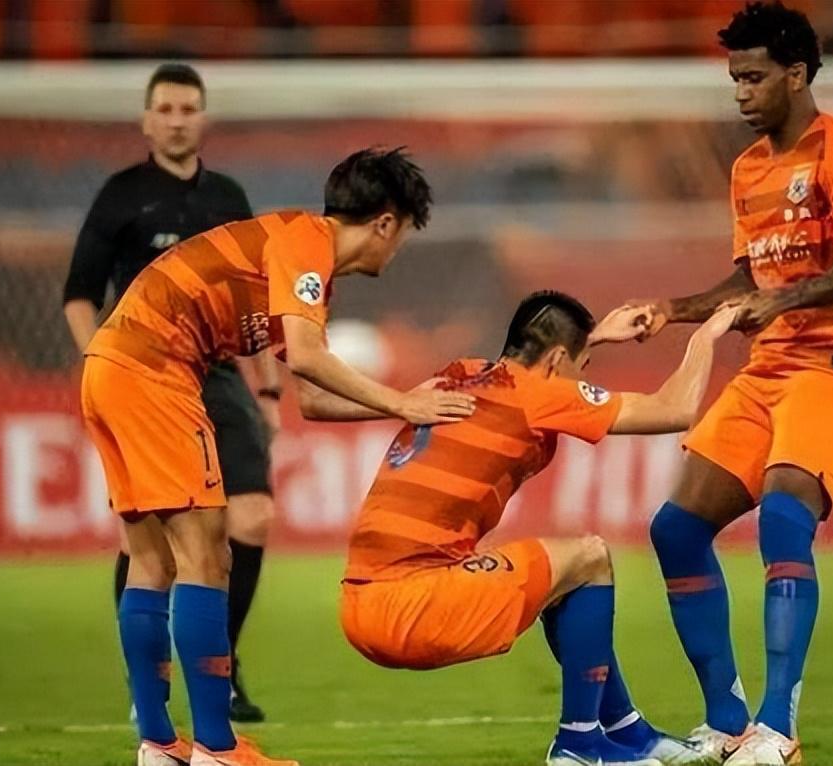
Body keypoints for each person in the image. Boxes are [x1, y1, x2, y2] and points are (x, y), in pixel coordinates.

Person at [80, 146, 475, 766]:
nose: (396, 251)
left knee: (151, 560)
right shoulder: (306, 242)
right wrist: (402, 400)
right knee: (208, 556)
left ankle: (158, 745)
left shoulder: (296, 258)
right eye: (402, 234)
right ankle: (217, 748)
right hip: (155, 371)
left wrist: (404, 406)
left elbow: (311, 398)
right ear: (385, 223)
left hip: (111, 368)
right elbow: (314, 358)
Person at [620, 3, 833, 764]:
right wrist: (673, 309)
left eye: (753, 78)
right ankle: (727, 721)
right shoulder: (748, 169)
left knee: (782, 517)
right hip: (769, 368)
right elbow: (751, 278)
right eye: (735, 79)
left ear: (796, 75)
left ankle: (778, 728)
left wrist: (785, 300)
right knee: (675, 530)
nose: (740, 93)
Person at [339, 291, 739, 766]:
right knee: (589, 557)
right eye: (582, 366)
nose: (582, 382)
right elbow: (674, 409)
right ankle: (578, 744)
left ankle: (629, 733)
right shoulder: (539, 395)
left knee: (562, 578)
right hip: (412, 605)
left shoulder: (461, 372)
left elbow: (535, 361)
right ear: (555, 360)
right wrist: (705, 335)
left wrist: (592, 338)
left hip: (362, 602)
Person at [62, 62, 277, 722]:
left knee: (252, 517)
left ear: (203, 118)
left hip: (217, 373)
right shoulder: (122, 195)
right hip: (147, 376)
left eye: (188, 109)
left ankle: (221, 665)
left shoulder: (229, 197)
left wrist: (269, 389)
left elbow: (252, 304)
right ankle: (146, 687)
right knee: (146, 544)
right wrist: (104, 363)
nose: (177, 120)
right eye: (166, 109)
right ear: (146, 120)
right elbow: (79, 295)